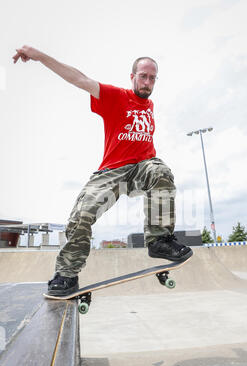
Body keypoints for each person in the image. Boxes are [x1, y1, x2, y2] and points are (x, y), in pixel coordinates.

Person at [13, 46, 193, 296]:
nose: (147, 82)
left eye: (152, 78)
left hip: (140, 170)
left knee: (160, 171)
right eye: (143, 76)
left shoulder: (149, 106)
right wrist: (38, 55)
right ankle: (67, 274)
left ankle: (159, 240)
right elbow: (79, 78)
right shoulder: (115, 96)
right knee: (81, 214)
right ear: (132, 77)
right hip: (111, 173)